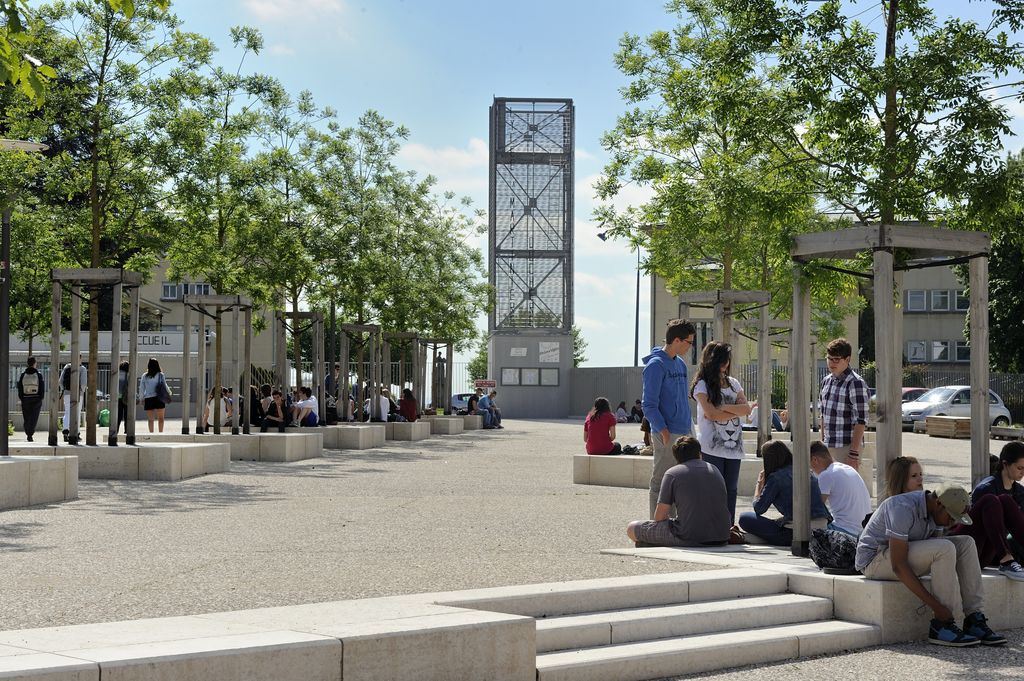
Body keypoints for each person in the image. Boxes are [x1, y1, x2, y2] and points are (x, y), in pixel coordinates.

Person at [856, 484, 1006, 647]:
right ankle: (942, 625)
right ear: (939, 504)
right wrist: (937, 607)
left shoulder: (935, 512)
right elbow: (898, 565)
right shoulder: (901, 508)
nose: (952, 522)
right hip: (874, 560)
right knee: (945, 548)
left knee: (966, 543)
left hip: (902, 552)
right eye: (950, 516)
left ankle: (973, 618)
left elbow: (932, 548)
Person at [626, 436, 731, 547]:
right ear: (700, 454)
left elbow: (659, 517)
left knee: (632, 528)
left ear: (676, 457)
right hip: (722, 535)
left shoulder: (673, 473)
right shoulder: (714, 469)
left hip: (689, 536)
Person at [691, 341, 751, 523]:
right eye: (722, 360)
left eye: (727, 360)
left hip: (734, 446)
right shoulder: (702, 385)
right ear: (712, 360)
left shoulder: (734, 383)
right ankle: (711, 525)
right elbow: (710, 414)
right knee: (714, 487)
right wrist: (734, 409)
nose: (725, 364)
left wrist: (723, 407)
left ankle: (728, 526)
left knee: (731, 488)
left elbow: (747, 409)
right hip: (711, 446)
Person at [642, 318, 696, 518]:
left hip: (684, 430)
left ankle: (675, 524)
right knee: (662, 481)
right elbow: (648, 404)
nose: (691, 346)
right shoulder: (655, 365)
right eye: (689, 342)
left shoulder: (680, 364)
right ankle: (657, 526)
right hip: (666, 432)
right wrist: (663, 430)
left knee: (682, 481)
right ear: (676, 340)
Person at [949, 442, 1024, 580]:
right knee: (992, 500)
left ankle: (1008, 559)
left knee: (1005, 500)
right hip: (970, 547)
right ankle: (1006, 560)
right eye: (1019, 468)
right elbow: (976, 526)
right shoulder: (986, 488)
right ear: (1005, 464)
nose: (1023, 472)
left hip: (989, 553)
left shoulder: (1019, 492)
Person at [738, 441, 831, 546]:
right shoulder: (806, 472)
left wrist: (759, 485)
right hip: (822, 528)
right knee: (778, 522)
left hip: (795, 532)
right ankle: (757, 538)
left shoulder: (776, 478)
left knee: (745, 518)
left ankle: (755, 538)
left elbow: (759, 509)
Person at [819, 338, 870, 470]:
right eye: (829, 358)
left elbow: (861, 420)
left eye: (836, 359)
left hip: (846, 447)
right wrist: (822, 443)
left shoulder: (855, 383)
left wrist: (853, 452)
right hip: (828, 445)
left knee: (844, 489)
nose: (831, 362)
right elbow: (823, 415)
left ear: (847, 360)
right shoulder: (826, 381)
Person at [809, 440, 871, 537]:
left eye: (811, 468)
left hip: (845, 531)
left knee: (802, 529)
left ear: (815, 460)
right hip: (863, 531)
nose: (813, 471)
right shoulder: (848, 468)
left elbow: (815, 509)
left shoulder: (826, 475)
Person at [58, 356, 87, 442]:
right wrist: (82, 391)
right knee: (77, 413)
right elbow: (83, 383)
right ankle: (76, 433)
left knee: (67, 412)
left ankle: (65, 432)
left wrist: (64, 389)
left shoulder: (66, 367)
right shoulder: (82, 369)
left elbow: (60, 381)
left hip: (67, 393)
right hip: (78, 394)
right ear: (80, 359)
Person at [16, 356, 45, 442]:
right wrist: (40, 397)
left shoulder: (23, 374)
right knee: (34, 417)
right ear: (35, 363)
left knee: (27, 416)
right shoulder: (38, 374)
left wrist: (21, 397)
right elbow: (42, 387)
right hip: (36, 398)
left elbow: (19, 387)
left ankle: (28, 432)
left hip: (25, 398)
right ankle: (30, 434)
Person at [137, 358, 168, 433]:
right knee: (161, 418)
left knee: (151, 419)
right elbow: (165, 386)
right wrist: (169, 394)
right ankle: (160, 433)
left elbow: (141, 388)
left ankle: (151, 434)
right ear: (157, 365)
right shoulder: (161, 375)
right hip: (159, 398)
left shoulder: (145, 376)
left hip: (149, 398)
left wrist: (141, 399)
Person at [113, 361, 130, 434]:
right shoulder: (129, 375)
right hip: (126, 397)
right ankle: (127, 430)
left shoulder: (117, 374)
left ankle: (115, 430)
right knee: (127, 415)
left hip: (118, 397)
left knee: (118, 415)